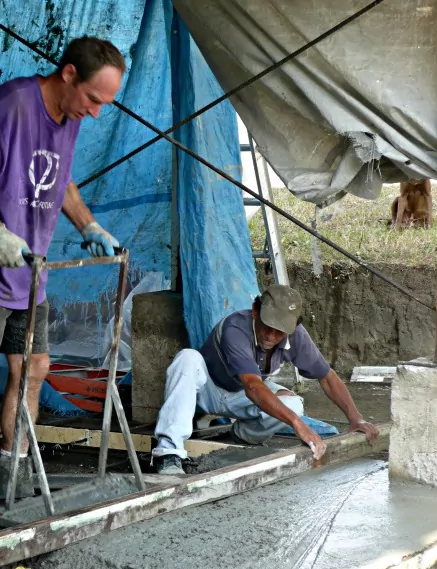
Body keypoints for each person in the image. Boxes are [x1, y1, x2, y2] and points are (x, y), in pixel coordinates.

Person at [0, 36, 126, 496]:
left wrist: (89, 224)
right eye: (93, 99)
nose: (95, 113)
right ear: (68, 74)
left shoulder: (69, 119)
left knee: (34, 368)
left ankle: (11, 475)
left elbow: (61, 177)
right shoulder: (12, 105)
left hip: (29, 276)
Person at [152, 284, 379, 475]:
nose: (271, 336)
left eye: (279, 331)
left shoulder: (296, 336)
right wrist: (297, 425)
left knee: (294, 405)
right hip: (209, 391)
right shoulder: (235, 327)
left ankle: (244, 436)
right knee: (187, 359)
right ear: (254, 311)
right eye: (267, 326)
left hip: (242, 396)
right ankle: (168, 453)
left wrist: (356, 418)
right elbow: (252, 385)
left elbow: (327, 376)